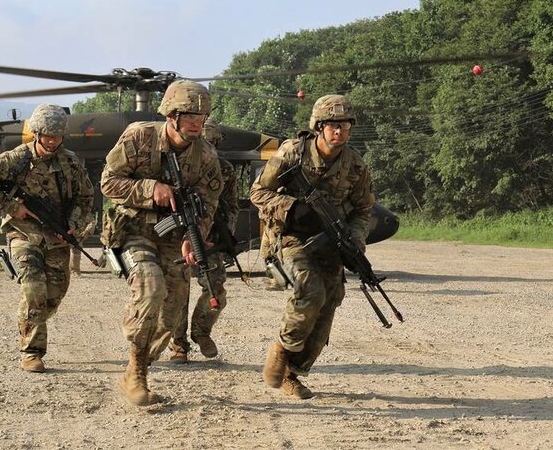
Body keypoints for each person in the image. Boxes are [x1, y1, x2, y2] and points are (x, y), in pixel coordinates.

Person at [100, 80, 224, 406]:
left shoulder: (207, 156)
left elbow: (208, 206)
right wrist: (149, 189)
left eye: (201, 116)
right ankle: (137, 373)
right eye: (190, 115)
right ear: (171, 116)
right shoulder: (139, 136)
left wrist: (192, 239)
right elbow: (108, 182)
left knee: (172, 314)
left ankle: (138, 367)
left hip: (173, 236)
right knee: (151, 287)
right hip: (134, 230)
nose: (197, 122)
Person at [250, 94, 374, 399]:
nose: (339, 131)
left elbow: (363, 211)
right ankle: (282, 348)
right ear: (318, 126)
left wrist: (355, 242)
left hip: (331, 240)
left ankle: (293, 373)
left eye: (345, 125)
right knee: (311, 289)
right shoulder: (293, 153)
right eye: (332, 125)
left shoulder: (355, 165)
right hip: (290, 237)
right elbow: (258, 192)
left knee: (330, 298)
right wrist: (292, 208)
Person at [0, 103, 94, 373]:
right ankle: (32, 352)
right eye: (48, 135)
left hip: (57, 236)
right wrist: (12, 207)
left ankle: (28, 320)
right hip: (24, 232)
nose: (52, 141)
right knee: (34, 289)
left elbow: (85, 197)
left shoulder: (70, 162)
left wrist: (74, 224)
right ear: (37, 133)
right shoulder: (16, 159)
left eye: (57, 136)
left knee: (54, 295)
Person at [169, 117, 239, 363]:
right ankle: (178, 344)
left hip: (211, 238)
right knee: (179, 291)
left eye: (212, 143)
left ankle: (201, 331)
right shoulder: (176, 165)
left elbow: (231, 205)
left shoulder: (226, 170)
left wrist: (224, 235)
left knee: (215, 288)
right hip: (179, 235)